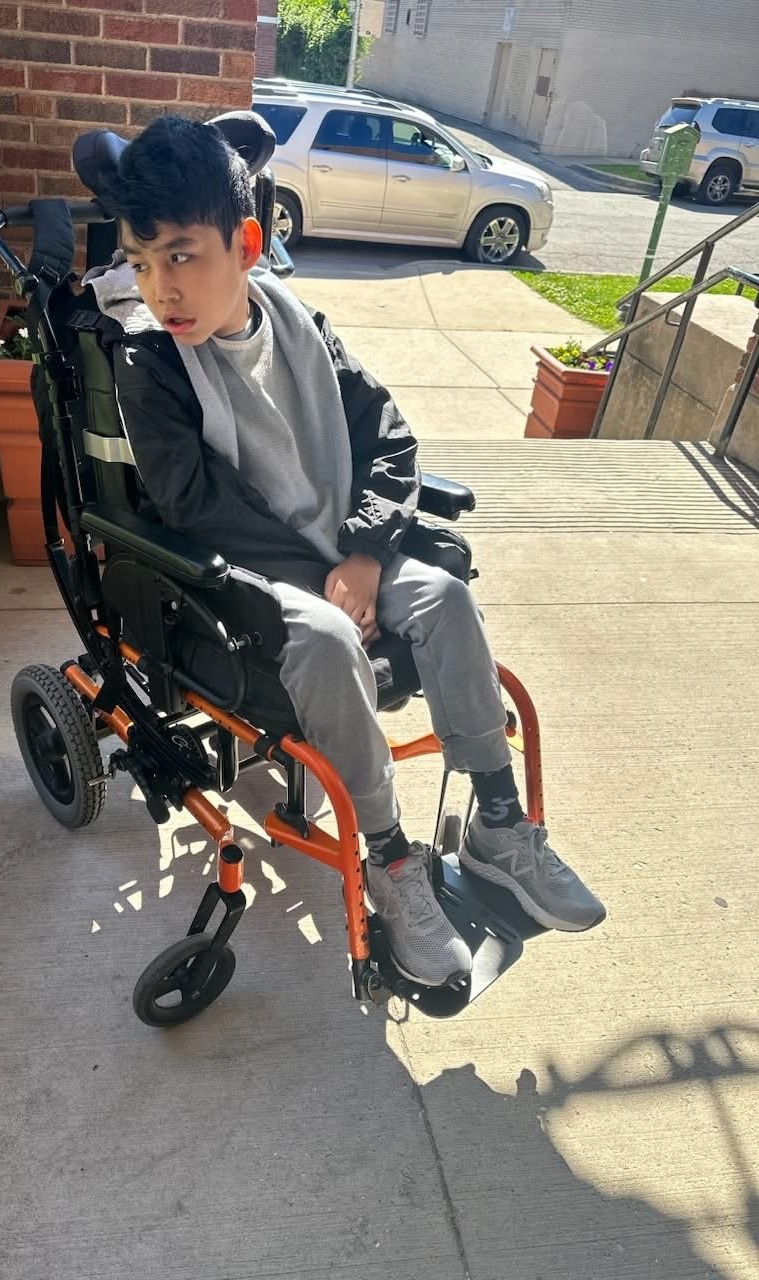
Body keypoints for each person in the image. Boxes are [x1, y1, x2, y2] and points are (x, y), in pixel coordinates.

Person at [91, 115, 605, 988]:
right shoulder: (153, 363)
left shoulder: (304, 330)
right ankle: (391, 859)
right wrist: (324, 581)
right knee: (329, 638)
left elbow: (390, 438)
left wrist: (366, 554)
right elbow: (192, 503)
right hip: (241, 575)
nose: (162, 288)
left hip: (340, 545)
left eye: (182, 256)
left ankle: (498, 824)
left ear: (246, 243)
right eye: (143, 265)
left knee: (444, 594)